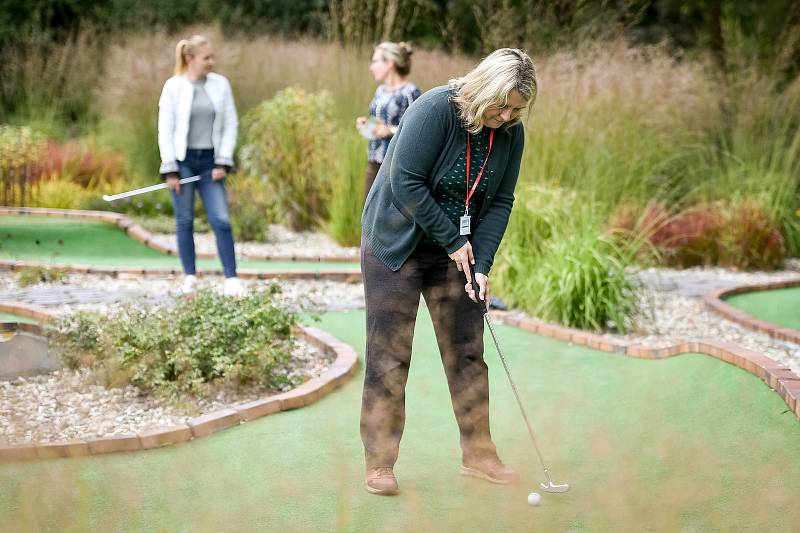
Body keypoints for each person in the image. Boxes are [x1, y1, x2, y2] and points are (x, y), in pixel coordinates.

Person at [359, 48, 537, 495]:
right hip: (396, 243)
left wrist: (483, 263)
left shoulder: (510, 133)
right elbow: (406, 182)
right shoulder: (436, 108)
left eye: (517, 107)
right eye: (502, 104)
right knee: (390, 354)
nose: (507, 114)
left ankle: (479, 455)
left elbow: (500, 200)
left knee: (467, 351)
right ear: (485, 89)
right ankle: (379, 463)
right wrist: (456, 239)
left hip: (453, 251)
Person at [157, 34, 246, 297]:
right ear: (190, 59)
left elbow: (230, 123)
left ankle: (231, 278)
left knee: (221, 220)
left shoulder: (221, 85)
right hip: (183, 163)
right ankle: (190, 276)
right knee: (184, 220)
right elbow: (165, 128)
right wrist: (170, 168)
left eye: (212, 57)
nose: (212, 62)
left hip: (211, 164)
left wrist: (223, 161)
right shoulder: (173, 87)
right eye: (206, 58)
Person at [355, 42, 422, 197]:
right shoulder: (380, 91)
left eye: (375, 61)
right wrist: (368, 125)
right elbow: (381, 123)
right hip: (374, 162)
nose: (371, 67)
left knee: (391, 218)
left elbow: (419, 129)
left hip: (396, 166)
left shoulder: (410, 92)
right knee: (369, 215)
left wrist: (390, 130)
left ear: (390, 63)